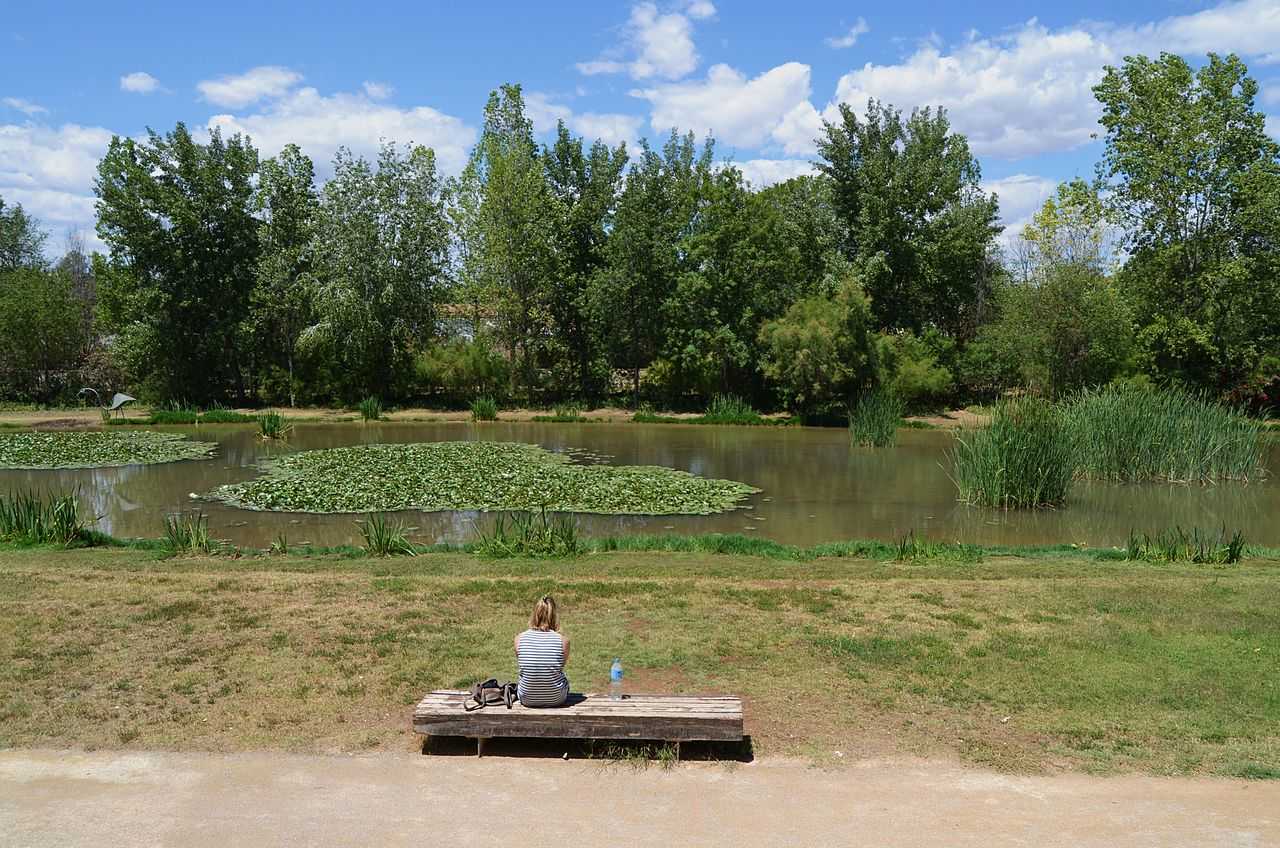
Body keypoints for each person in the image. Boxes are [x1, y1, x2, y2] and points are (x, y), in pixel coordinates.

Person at [515, 595, 570, 707]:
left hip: (527, 698)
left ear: (534, 614)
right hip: (557, 698)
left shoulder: (519, 639)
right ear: (554, 616)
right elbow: (559, 667)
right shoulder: (563, 641)